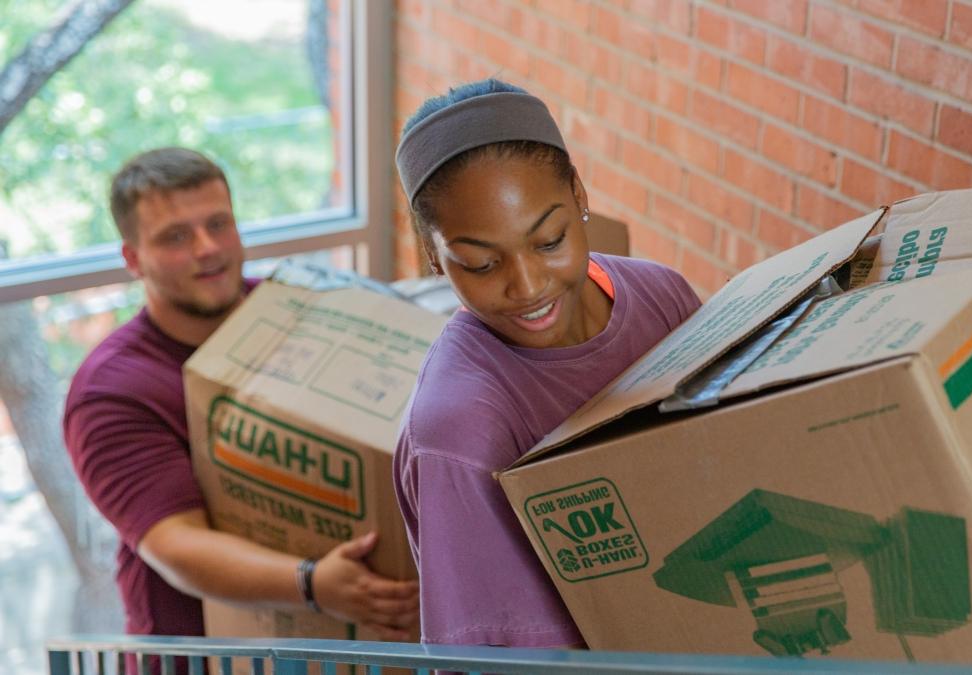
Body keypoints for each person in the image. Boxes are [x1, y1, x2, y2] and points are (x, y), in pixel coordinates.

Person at [63, 147, 419, 645]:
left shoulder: (297, 311)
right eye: (176, 237)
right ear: (133, 258)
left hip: (334, 637)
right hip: (199, 652)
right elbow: (175, 544)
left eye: (218, 224)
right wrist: (313, 583)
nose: (208, 248)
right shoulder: (112, 393)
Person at [392, 79, 702, 647]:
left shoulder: (664, 297)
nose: (528, 287)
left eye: (550, 240)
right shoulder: (459, 426)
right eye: (482, 265)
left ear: (580, 196)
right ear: (434, 258)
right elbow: (491, 652)